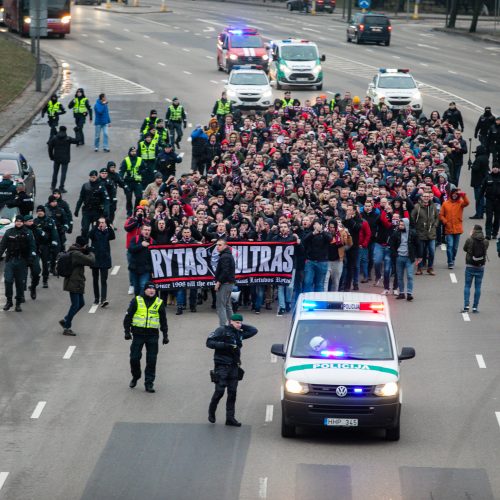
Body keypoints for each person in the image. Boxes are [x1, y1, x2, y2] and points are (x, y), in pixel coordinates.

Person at [206, 313, 258, 426]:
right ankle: (211, 411)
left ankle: (230, 418)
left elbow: (254, 330)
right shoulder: (221, 330)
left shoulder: (239, 334)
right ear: (231, 321)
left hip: (234, 366)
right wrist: (225, 345)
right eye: (237, 322)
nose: (239, 325)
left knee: (232, 393)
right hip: (221, 365)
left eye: (240, 322)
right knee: (219, 391)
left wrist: (241, 326)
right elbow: (209, 343)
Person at [123, 282, 169, 393]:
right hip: (138, 334)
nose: (151, 291)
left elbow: (163, 320)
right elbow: (128, 317)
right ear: (145, 290)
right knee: (134, 358)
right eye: (149, 289)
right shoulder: (136, 301)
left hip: (152, 336)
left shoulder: (159, 302)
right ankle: (136, 376)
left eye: (153, 289)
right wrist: (127, 332)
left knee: (151, 360)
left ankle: (149, 383)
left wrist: (165, 335)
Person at [59, 236, 95, 336]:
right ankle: (67, 327)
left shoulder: (74, 251)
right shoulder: (76, 254)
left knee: (81, 303)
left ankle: (66, 319)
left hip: (75, 281)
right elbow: (91, 261)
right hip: (74, 281)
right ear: (83, 245)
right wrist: (90, 252)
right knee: (75, 305)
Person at [0, 215, 36, 312]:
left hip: (22, 261)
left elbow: (33, 247)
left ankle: (18, 303)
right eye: (17, 221)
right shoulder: (9, 232)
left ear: (23, 222)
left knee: (20, 283)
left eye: (20, 221)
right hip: (10, 260)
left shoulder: (28, 233)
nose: (18, 223)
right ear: (15, 222)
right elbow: (2, 246)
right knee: (8, 281)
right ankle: (9, 301)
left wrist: (31, 258)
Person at [389, 218, 420, 302]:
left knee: (410, 276)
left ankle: (409, 293)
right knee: (399, 276)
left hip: (409, 258)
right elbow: (391, 244)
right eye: (400, 224)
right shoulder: (396, 233)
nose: (400, 226)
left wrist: (419, 256)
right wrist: (395, 254)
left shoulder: (413, 233)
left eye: (402, 225)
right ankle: (401, 293)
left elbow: (418, 245)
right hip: (399, 257)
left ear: (406, 225)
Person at [439, 186, 469, 269]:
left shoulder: (460, 203)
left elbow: (467, 203)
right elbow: (441, 215)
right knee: (450, 246)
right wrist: (446, 222)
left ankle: (452, 258)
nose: (454, 195)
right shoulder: (445, 203)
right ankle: (450, 262)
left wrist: (462, 194)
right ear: (451, 194)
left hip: (458, 228)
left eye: (456, 194)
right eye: (453, 194)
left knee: (455, 248)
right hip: (449, 229)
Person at [74, 170, 110, 239]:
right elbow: (81, 198)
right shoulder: (85, 186)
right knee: (84, 229)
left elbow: (106, 200)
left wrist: (106, 210)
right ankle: (84, 245)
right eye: (91, 177)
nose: (92, 178)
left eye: (94, 177)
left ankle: (94, 246)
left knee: (95, 230)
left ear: (96, 177)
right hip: (87, 211)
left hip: (97, 211)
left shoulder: (101, 186)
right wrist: (77, 209)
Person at [462, 225, 489, 313]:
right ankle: (475, 307)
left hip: (470, 266)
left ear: (474, 230)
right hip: (480, 267)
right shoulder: (485, 241)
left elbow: (465, 248)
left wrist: (470, 236)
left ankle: (466, 306)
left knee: (467, 286)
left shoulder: (470, 240)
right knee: (478, 287)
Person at [89, 217, 115, 307]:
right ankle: (96, 298)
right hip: (95, 259)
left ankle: (103, 299)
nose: (101, 224)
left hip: (105, 259)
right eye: (100, 222)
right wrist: (95, 227)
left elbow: (113, 236)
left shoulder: (108, 232)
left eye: (103, 222)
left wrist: (109, 226)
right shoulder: (94, 231)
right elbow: (90, 235)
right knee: (95, 279)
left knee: (103, 280)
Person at [411, 192, 439, 275]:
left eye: (428, 196)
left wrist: (435, 225)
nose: (426, 198)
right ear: (422, 197)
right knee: (420, 252)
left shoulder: (433, 206)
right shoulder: (417, 207)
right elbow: (412, 217)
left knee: (432, 251)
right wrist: (415, 228)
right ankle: (419, 268)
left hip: (431, 233)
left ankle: (430, 268)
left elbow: (437, 217)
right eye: (424, 196)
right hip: (420, 233)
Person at [302, 220, 333, 293]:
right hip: (310, 261)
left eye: (318, 224)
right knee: (307, 282)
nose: (316, 226)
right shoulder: (309, 233)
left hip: (322, 262)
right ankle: (307, 299)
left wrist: (321, 231)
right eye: (315, 225)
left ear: (322, 226)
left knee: (319, 284)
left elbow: (330, 239)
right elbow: (304, 240)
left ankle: (319, 301)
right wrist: (313, 233)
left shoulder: (326, 233)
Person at [33, 205, 59, 288]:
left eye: (41, 211)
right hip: (36, 246)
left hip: (46, 246)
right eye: (38, 211)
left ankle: (45, 280)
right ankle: (34, 280)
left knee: (45, 264)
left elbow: (54, 232)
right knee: (34, 264)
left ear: (44, 212)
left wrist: (54, 242)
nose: (40, 212)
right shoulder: (34, 221)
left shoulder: (50, 221)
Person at [47, 125, 78, 193]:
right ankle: (61, 187)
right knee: (63, 173)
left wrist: (51, 156)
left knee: (55, 172)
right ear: (65, 130)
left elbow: (50, 147)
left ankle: (53, 186)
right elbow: (77, 141)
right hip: (65, 158)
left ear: (59, 130)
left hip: (56, 158)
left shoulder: (54, 138)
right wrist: (76, 132)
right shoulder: (68, 138)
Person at [128, 224, 155, 296]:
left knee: (143, 286)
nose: (147, 231)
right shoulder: (135, 239)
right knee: (136, 288)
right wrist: (141, 245)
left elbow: (154, 258)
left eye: (149, 230)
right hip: (134, 268)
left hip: (145, 269)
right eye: (145, 230)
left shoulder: (152, 242)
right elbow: (130, 249)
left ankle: (142, 304)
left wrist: (152, 270)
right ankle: (137, 303)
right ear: (141, 230)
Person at [214, 238, 235, 326]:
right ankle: (233, 325)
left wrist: (218, 282)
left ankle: (223, 328)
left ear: (225, 246)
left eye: (220, 245)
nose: (217, 247)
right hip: (228, 284)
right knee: (227, 305)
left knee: (220, 307)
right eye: (216, 245)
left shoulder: (225, 256)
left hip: (224, 284)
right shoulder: (226, 255)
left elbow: (225, 271)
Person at [120, 147, 144, 216]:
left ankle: (136, 211)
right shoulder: (126, 160)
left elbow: (145, 169)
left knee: (139, 197)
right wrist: (121, 180)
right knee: (129, 198)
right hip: (128, 182)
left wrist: (141, 172)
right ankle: (129, 213)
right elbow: (121, 171)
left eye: (135, 151)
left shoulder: (140, 160)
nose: (133, 153)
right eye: (132, 151)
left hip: (137, 182)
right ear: (129, 152)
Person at [23, 215, 42, 300]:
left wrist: (37, 230)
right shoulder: (21, 230)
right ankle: (21, 294)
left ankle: (33, 287)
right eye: (29, 221)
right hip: (23, 256)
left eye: (32, 221)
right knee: (22, 276)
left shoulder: (36, 229)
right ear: (24, 222)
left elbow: (44, 238)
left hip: (34, 254)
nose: (31, 223)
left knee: (36, 272)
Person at [479, 162, 500, 240]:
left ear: (499, 169)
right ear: (492, 168)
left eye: (496, 167)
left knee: (497, 218)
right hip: (489, 200)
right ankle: (488, 233)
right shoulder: (488, 177)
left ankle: (494, 233)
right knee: (489, 218)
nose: (495, 168)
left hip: (498, 201)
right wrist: (479, 199)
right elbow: (482, 188)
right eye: (494, 167)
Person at [469, 145, 490, 220]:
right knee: (481, 197)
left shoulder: (479, 159)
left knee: (478, 198)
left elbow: (476, 168)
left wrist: (471, 165)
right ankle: (481, 213)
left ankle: (478, 213)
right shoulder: (485, 158)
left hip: (477, 181)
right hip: (483, 180)